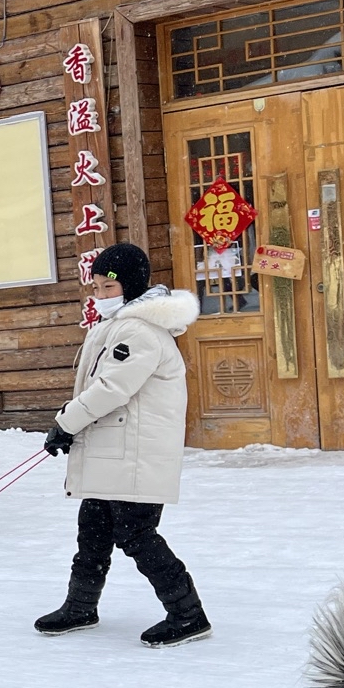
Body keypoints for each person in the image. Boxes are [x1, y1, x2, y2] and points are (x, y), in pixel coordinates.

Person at [36, 242, 211, 648]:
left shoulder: (140, 330)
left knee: (136, 534)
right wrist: (73, 426)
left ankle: (188, 614)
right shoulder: (119, 326)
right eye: (94, 287)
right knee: (92, 531)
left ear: (129, 288)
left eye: (106, 288)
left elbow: (112, 387)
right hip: (112, 450)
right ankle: (81, 606)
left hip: (136, 455)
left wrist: (66, 423)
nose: (98, 296)